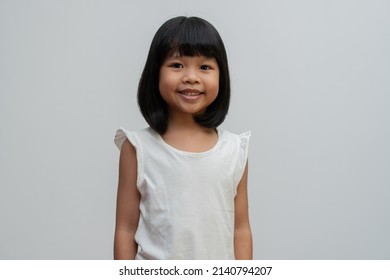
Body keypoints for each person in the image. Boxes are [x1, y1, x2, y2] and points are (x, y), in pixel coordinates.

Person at [114, 16, 252, 260]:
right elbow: (125, 230)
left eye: (205, 67)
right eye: (177, 65)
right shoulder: (138, 148)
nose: (191, 76)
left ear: (222, 75)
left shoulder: (234, 150)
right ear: (155, 73)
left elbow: (241, 229)